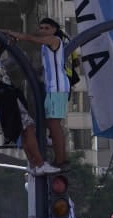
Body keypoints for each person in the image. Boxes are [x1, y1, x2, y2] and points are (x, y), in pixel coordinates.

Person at [0, 30, 56, 175]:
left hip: (8, 98)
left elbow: (0, 50)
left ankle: (34, 165)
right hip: (7, 99)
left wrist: (9, 42)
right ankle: (39, 163)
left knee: (23, 132)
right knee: (28, 128)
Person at [5, 17, 70, 168]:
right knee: (51, 123)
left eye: (47, 28)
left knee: (54, 124)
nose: (43, 31)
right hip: (51, 88)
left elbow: (29, 38)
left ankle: (61, 160)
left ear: (54, 30)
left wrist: (11, 32)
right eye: (41, 28)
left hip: (57, 88)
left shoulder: (54, 40)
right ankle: (59, 157)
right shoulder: (44, 47)